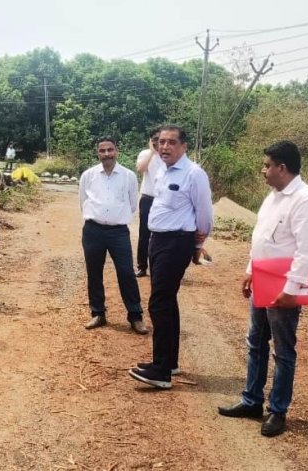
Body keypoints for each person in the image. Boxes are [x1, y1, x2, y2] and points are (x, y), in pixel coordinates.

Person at [217, 141, 308, 437]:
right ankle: (251, 401)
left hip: (283, 287)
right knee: (256, 341)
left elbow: (307, 251)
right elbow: (261, 237)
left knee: (283, 350)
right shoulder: (273, 197)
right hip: (263, 280)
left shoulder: (304, 199)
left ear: (282, 168)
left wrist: (291, 290)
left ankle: (278, 410)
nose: (263, 171)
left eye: (267, 165)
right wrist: (250, 271)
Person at [128, 124, 213, 389]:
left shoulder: (193, 174)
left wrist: (198, 245)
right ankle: (169, 362)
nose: (164, 147)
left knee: (159, 303)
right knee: (167, 301)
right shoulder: (163, 171)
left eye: (171, 142)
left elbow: (205, 215)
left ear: (184, 146)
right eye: (161, 142)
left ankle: (161, 371)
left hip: (177, 242)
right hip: (159, 240)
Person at [79, 137, 147, 335]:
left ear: (117, 150)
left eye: (110, 150)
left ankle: (135, 316)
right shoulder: (88, 175)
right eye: (102, 150)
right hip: (93, 230)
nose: (106, 154)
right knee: (94, 272)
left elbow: (133, 203)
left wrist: (116, 217)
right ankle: (98, 313)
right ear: (97, 152)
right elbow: (83, 201)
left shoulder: (128, 176)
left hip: (118, 232)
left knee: (126, 273)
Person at [134, 128, 163, 277]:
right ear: (150, 140)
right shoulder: (145, 154)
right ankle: (141, 266)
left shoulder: (168, 155)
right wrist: (152, 152)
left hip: (163, 200)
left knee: (161, 235)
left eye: (160, 138)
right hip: (147, 198)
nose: (158, 142)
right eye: (155, 139)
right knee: (144, 234)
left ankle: (158, 266)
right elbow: (140, 168)